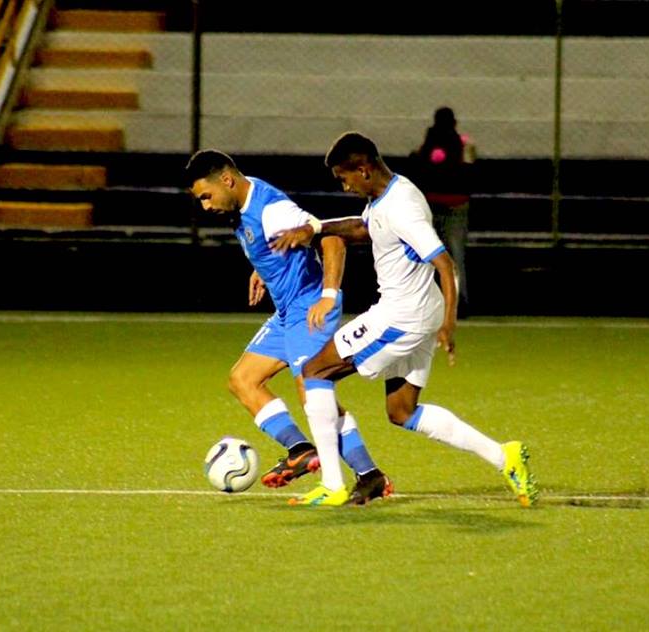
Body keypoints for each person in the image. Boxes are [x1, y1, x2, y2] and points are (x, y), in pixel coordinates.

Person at [271, 132, 537, 508]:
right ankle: (504, 456)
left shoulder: (402, 207)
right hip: (420, 312)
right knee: (402, 411)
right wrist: (316, 228)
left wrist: (451, 324)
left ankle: (332, 483)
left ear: (363, 169)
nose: (344, 185)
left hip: (401, 318)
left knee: (315, 371)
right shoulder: (388, 194)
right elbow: (365, 228)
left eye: (345, 177)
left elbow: (444, 263)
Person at [185, 149, 393, 504]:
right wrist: (264, 269)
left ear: (227, 180)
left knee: (314, 394)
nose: (205, 206)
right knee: (243, 380)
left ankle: (369, 475)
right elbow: (279, 244)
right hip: (287, 311)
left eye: (206, 196)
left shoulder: (272, 210)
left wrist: (328, 296)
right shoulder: (245, 205)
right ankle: (300, 449)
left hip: (309, 307)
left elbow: (330, 239)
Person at [413, 107, 475, 318]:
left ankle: (429, 303)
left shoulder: (429, 143)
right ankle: (459, 302)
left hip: (431, 203)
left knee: (430, 254)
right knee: (456, 254)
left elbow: (418, 167)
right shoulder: (462, 144)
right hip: (457, 204)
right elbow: (471, 171)